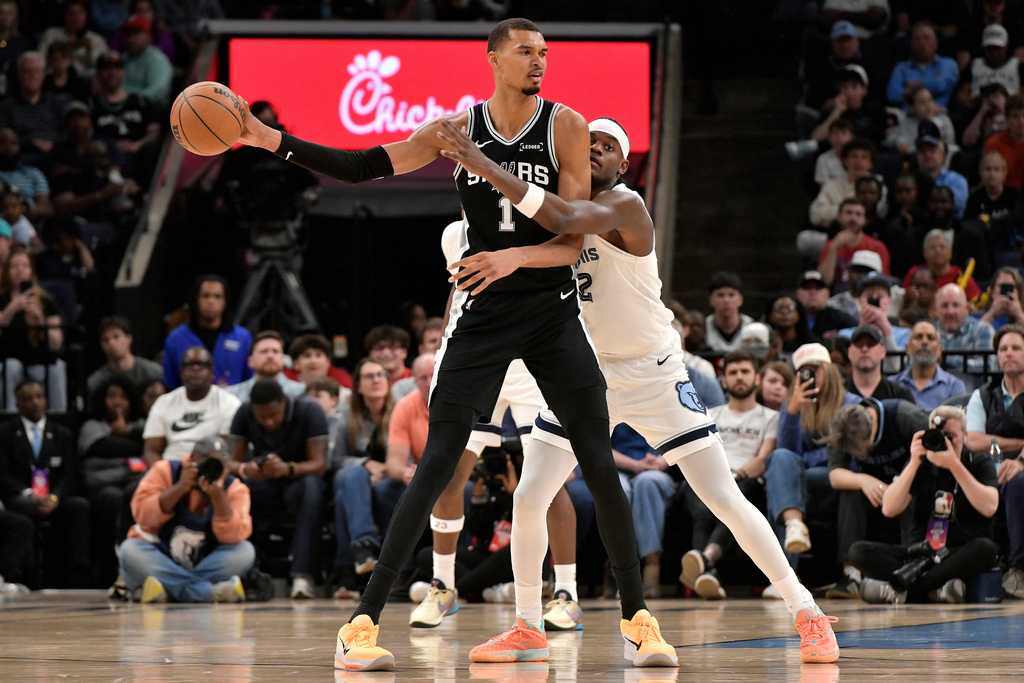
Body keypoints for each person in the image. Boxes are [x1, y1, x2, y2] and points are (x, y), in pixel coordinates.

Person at [240, 19, 679, 671]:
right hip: (484, 314)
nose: (539, 61)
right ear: (494, 58)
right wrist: (266, 138)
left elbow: (569, 237)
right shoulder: (455, 128)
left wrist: (511, 259)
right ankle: (359, 624)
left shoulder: (566, 125)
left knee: (595, 453)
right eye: (526, 52)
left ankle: (638, 619)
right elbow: (360, 167)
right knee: (440, 461)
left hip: (551, 307)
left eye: (545, 53)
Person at [437, 113, 838, 663]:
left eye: (608, 146)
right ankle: (528, 626)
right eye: (589, 143)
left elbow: (560, 213)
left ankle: (807, 613)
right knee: (530, 496)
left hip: (653, 373)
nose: (596, 151)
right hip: (585, 375)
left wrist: (485, 164)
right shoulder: (550, 205)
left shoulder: (625, 204)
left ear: (624, 163)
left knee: (723, 498)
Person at [407, 219, 580, 630]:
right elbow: (457, 292)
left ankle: (566, 592)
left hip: (529, 362)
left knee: (546, 483)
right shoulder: (454, 233)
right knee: (450, 475)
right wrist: (446, 357)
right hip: (479, 358)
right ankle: (443, 586)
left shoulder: (538, 215)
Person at [850, 405, 999, 604]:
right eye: (939, 436)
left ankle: (902, 590)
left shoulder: (978, 462)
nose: (945, 442)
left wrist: (954, 465)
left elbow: (989, 507)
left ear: (965, 436)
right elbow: (889, 508)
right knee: (858, 551)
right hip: (921, 553)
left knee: (986, 548)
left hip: (957, 554)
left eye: (951, 436)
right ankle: (933, 591)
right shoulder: (920, 464)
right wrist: (913, 462)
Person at [677, 350, 778, 600]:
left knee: (736, 496)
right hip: (709, 477)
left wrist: (734, 476)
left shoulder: (771, 417)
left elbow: (763, 459)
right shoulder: (710, 414)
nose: (739, 377)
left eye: (745, 372)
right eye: (733, 373)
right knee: (701, 502)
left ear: (756, 378)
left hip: (746, 479)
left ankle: (704, 560)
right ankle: (708, 571)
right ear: (724, 381)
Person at [119, 436, 254, 603]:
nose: (209, 469)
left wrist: (218, 497)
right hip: (162, 556)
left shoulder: (235, 489)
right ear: (191, 458)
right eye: (205, 462)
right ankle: (209, 592)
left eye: (217, 464)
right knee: (130, 549)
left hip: (205, 562)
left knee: (245, 552)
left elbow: (234, 536)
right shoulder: (165, 470)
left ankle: (169, 590)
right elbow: (142, 516)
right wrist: (180, 488)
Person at [228, 378, 328, 599]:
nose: (269, 422)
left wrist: (288, 468)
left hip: (300, 478)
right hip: (264, 480)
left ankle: (303, 576)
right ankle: (245, 572)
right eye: (262, 417)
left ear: (284, 403)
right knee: (240, 489)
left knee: (312, 489)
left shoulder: (309, 410)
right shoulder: (244, 412)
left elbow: (319, 465)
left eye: (274, 415)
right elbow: (232, 462)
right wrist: (247, 468)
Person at [765, 343, 858, 575]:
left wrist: (807, 458)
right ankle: (794, 527)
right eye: (804, 371)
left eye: (816, 368)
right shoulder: (793, 405)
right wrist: (793, 413)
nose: (811, 375)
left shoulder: (851, 403)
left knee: (783, 484)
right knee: (779, 467)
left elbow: (845, 453)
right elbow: (787, 455)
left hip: (837, 477)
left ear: (829, 370)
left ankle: (783, 578)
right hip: (804, 480)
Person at [825, 397, 929, 598]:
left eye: (862, 449)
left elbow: (938, 450)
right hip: (879, 494)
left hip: (913, 486)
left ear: (873, 427)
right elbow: (835, 475)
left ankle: (912, 563)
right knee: (851, 489)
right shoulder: (843, 427)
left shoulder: (905, 416)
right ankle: (851, 574)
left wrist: (900, 486)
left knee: (911, 494)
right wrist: (863, 480)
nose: (859, 455)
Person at [0, 380, 89, 587]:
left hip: (53, 497)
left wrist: (54, 498)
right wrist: (30, 493)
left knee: (79, 506)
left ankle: (79, 575)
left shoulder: (62, 434)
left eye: (39, 397)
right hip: (21, 497)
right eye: (28, 399)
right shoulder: (5, 433)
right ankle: (30, 577)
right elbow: (2, 475)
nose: (35, 403)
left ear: (46, 400)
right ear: (18, 404)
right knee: (23, 510)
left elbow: (69, 476)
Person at [963, 323, 1024, 598]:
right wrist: (1019, 445)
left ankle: (1018, 568)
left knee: (1018, 481)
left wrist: (1020, 460)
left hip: (1020, 471)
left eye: (1016, 348)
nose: (1008, 354)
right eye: (1003, 349)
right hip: (992, 468)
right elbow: (973, 440)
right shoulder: (984, 394)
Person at [327, 357, 394, 598]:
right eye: (369, 376)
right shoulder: (344, 414)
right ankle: (364, 547)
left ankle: (349, 570)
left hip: (390, 480)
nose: (377, 380)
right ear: (357, 385)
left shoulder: (400, 411)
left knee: (375, 489)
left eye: (381, 374)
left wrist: (387, 469)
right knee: (353, 477)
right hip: (351, 479)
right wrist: (366, 465)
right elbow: (333, 461)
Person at [79, 375, 147, 586]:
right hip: (102, 489)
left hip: (131, 486)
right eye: (111, 397)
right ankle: (110, 568)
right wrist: (129, 464)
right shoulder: (92, 426)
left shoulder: (142, 425)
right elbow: (90, 469)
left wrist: (127, 433)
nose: (117, 402)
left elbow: (150, 455)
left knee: (137, 492)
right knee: (112, 497)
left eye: (123, 397)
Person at [143, 346, 241, 464]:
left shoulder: (229, 403)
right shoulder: (163, 402)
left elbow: (228, 451)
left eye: (202, 365)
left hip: (210, 467)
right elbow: (151, 451)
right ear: (181, 371)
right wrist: (162, 476)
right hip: (170, 467)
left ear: (212, 372)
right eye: (189, 365)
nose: (195, 369)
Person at [0, 245, 68, 412]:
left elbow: (56, 343)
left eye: (24, 266)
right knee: (11, 366)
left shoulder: (45, 300)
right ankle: (10, 416)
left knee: (56, 366)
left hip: (38, 360)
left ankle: (58, 417)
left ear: (31, 270)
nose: (19, 270)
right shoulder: (2, 299)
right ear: (7, 271)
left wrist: (40, 322)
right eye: (14, 266)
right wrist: (12, 308)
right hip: (9, 359)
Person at [162, 275, 252, 389]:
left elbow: (250, 381)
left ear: (226, 302)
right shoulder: (175, 339)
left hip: (233, 405)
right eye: (205, 296)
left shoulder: (242, 338)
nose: (211, 301)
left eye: (217, 296)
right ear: (195, 300)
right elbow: (169, 384)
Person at [0, 52, 68, 186]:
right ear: (19, 75)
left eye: (37, 71)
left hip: (55, 153)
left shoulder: (55, 102)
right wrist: (31, 143)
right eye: (27, 72)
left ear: (43, 75)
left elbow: (66, 131)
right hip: (22, 158)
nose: (33, 76)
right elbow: (4, 139)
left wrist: (53, 144)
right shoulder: (6, 106)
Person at [893, 320, 967, 411]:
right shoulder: (893, 385)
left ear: (940, 351)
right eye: (918, 337)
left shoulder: (954, 386)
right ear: (907, 349)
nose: (924, 342)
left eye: (931, 338)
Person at [808, 139, 882, 229]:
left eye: (864, 157)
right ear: (845, 161)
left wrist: (838, 212)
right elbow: (815, 215)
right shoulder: (830, 186)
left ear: (871, 163)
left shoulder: (878, 186)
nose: (858, 161)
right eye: (854, 156)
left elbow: (880, 212)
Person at [817, 198, 891, 288]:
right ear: (839, 217)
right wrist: (834, 248)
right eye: (848, 213)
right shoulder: (830, 245)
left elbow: (883, 284)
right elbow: (823, 283)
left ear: (865, 220)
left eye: (858, 214)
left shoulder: (877, 247)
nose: (853, 218)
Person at [87, 315, 164, 396]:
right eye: (105, 340)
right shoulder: (96, 382)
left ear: (129, 338)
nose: (111, 343)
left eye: (116, 337)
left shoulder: (154, 373)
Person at [887, 23, 960, 109]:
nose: (921, 42)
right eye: (917, 39)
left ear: (935, 43)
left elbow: (941, 85)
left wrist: (913, 87)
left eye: (926, 38)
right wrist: (929, 86)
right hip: (908, 116)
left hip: (938, 115)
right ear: (911, 45)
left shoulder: (947, 64)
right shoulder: (901, 68)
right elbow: (893, 95)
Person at [225, 330, 306, 401]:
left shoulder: (302, 393)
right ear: (250, 361)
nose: (270, 356)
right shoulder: (231, 395)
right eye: (264, 351)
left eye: (275, 351)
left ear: (283, 359)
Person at [965, 152, 1021, 255]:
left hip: (1010, 245)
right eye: (988, 169)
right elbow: (969, 226)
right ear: (980, 172)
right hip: (983, 245)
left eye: (996, 169)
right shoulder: (974, 198)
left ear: (1004, 172)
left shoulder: (1014, 195)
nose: (992, 174)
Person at [902, 231, 981, 302]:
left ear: (950, 252)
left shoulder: (960, 275)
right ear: (924, 253)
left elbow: (975, 300)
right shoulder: (914, 273)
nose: (938, 251)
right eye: (933, 247)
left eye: (942, 247)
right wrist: (908, 296)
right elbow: (902, 299)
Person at [936, 283, 995, 375]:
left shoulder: (983, 330)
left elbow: (987, 367)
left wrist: (945, 359)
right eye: (944, 306)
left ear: (967, 308)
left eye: (955, 305)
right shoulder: (927, 334)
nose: (950, 312)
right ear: (936, 310)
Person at [36, 0, 107, 76]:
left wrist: (89, 49)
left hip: (84, 80)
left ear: (86, 16)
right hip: (54, 78)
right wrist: (66, 46)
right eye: (71, 13)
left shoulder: (96, 39)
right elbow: (39, 60)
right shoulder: (51, 34)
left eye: (80, 12)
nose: (76, 17)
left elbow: (102, 67)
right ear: (64, 16)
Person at [844, 325, 915, 401]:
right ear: (849, 352)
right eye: (859, 345)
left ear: (883, 351)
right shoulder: (839, 393)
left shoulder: (899, 394)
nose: (864, 349)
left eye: (871, 344)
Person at [0, 128, 52, 225]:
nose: (9, 148)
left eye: (13, 144)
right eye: (3, 143)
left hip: (32, 222)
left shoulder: (33, 173)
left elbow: (44, 206)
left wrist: (20, 213)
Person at [120, 13, 173, 109]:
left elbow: (158, 91)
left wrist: (128, 101)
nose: (131, 39)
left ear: (148, 36)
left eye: (136, 34)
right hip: (121, 109)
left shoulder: (157, 60)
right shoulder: (123, 58)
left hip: (150, 112)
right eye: (128, 34)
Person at [796, 270, 858, 340]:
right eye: (807, 288)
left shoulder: (836, 317)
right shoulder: (790, 318)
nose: (813, 292)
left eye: (818, 288)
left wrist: (841, 335)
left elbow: (858, 331)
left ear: (827, 293)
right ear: (797, 293)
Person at [704, 271, 753, 353]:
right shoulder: (704, 328)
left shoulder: (752, 328)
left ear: (740, 299)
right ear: (711, 300)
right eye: (720, 295)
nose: (726, 300)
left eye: (731, 295)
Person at [284, 332, 352, 388]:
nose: (313, 361)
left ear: (328, 362)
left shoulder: (343, 390)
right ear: (296, 364)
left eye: (318, 355)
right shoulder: (286, 386)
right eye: (307, 356)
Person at [985, 94, 1024, 188]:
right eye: (1016, 116)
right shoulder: (993, 144)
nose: (1021, 121)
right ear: (1007, 119)